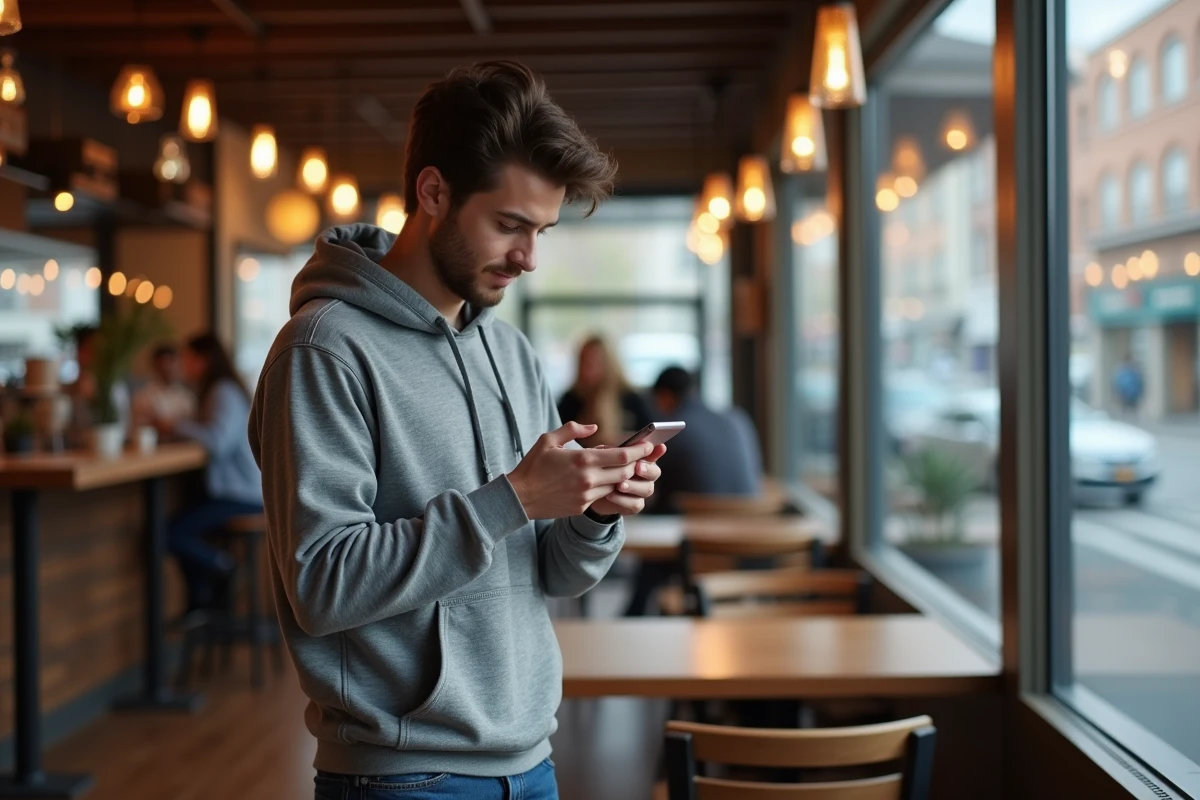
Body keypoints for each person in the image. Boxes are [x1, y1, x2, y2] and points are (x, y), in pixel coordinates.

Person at [248, 61, 665, 800]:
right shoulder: (323, 350)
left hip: (532, 761)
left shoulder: (510, 352)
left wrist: (595, 512)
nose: (529, 258)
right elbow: (320, 582)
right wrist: (513, 498)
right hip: (402, 776)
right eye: (509, 225)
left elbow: (553, 575)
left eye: (541, 231)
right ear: (433, 192)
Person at [622, 366, 764, 617]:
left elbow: (658, 497)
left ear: (664, 396)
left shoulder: (676, 432)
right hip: (752, 549)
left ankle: (633, 615)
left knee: (652, 554)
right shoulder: (737, 419)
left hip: (701, 555)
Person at [157, 334, 262, 612]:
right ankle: (203, 602)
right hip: (240, 491)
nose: (183, 365)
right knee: (175, 529)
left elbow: (217, 441)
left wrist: (175, 426)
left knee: (168, 533)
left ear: (203, 360)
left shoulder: (223, 391)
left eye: (188, 359)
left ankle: (224, 568)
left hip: (242, 494)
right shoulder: (220, 390)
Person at [557, 335, 653, 446]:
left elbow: (649, 437)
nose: (589, 368)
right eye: (585, 361)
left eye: (595, 361)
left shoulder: (631, 398)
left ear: (609, 363)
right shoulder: (570, 400)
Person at [132, 344, 196, 429]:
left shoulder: (187, 397)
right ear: (155, 366)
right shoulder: (143, 396)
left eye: (172, 363)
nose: (168, 369)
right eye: (163, 364)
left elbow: (193, 425)